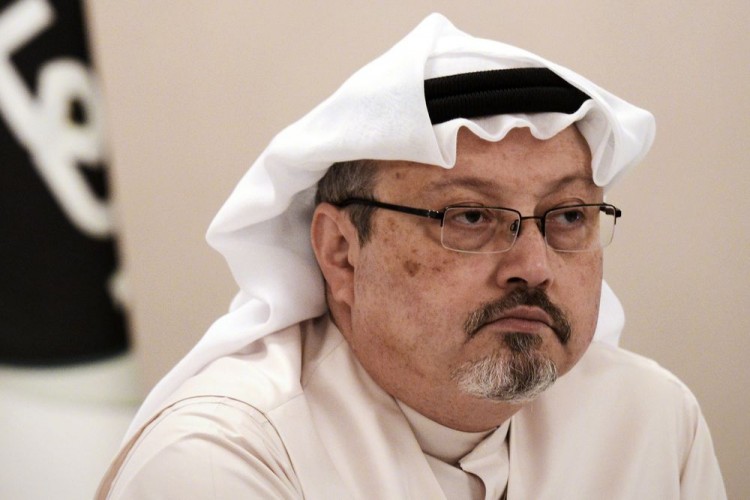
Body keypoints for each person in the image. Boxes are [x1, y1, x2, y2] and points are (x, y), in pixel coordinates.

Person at [97, 13, 726, 499]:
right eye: (470, 217)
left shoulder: (652, 419)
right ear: (341, 254)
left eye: (567, 217)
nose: (534, 267)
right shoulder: (223, 458)